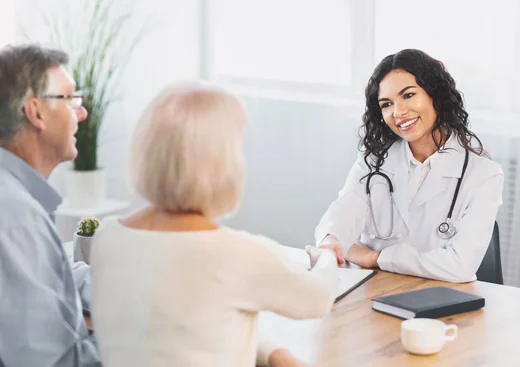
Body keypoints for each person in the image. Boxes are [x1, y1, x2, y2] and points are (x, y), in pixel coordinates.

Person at [90, 82, 339, 367]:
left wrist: (269, 353)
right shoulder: (234, 253)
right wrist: (327, 256)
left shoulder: (107, 238)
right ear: (219, 162)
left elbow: (174, 331)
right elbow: (318, 297)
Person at [315, 49, 504, 283]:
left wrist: (377, 258)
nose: (398, 112)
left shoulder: (484, 175)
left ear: (436, 94)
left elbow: (460, 267)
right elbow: (346, 208)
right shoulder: (374, 160)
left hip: (440, 300)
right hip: (373, 290)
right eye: (386, 104)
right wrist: (331, 241)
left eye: (408, 95)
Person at [0, 44, 101, 365]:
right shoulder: (15, 216)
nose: (81, 112)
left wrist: (124, 287)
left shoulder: (15, 200)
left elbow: (46, 274)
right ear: (36, 112)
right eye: (70, 99)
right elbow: (53, 362)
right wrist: (147, 332)